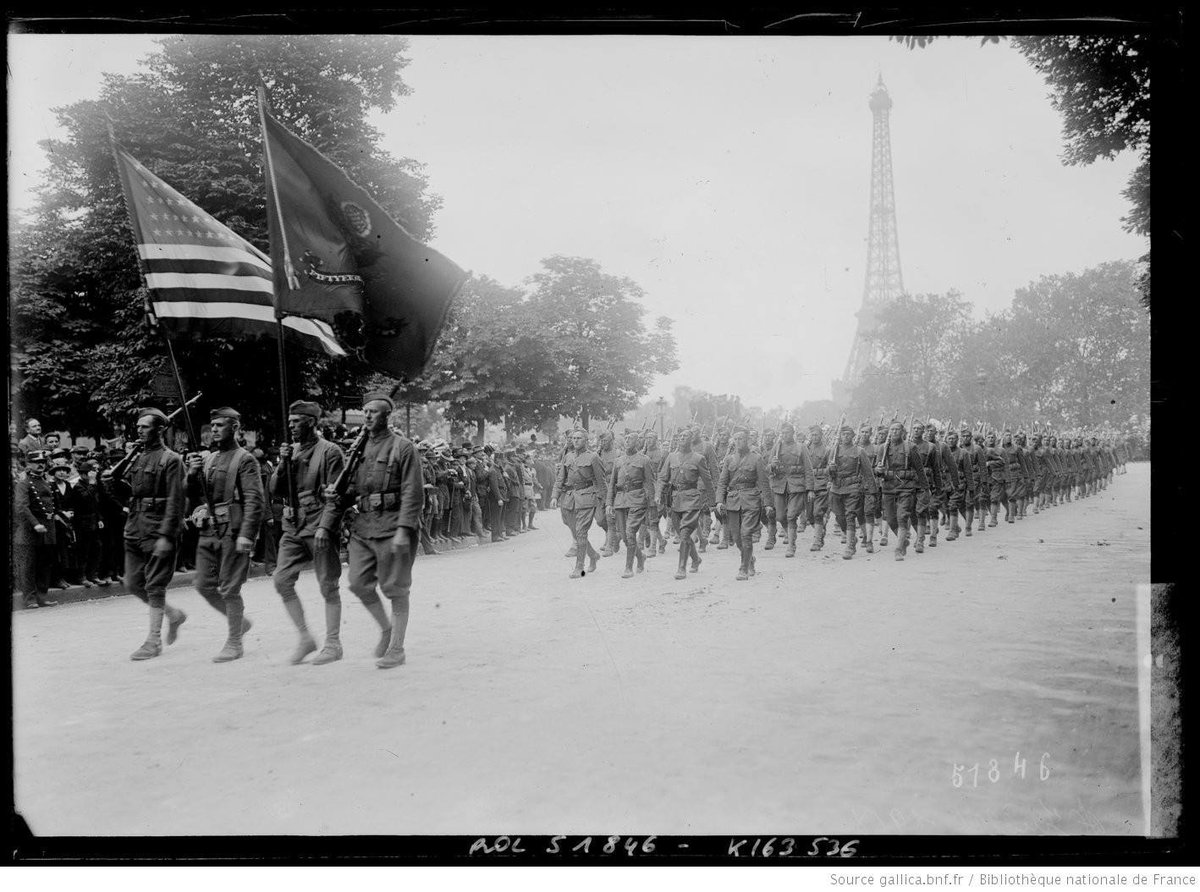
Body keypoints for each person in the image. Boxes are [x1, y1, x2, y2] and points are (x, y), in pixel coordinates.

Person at [322, 392, 423, 669]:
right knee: (357, 583)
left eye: (373, 412)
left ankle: (397, 648)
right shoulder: (358, 450)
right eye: (364, 411)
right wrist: (335, 495)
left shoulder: (403, 448)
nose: (367, 416)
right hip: (364, 526)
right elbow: (353, 490)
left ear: (386, 416)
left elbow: (413, 493)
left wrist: (404, 529)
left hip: (393, 525)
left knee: (395, 588)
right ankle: (386, 629)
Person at [271, 400, 347, 665]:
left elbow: (335, 496)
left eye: (296, 421)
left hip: (318, 522)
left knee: (328, 584)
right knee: (281, 580)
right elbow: (276, 490)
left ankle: (333, 643)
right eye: (289, 421)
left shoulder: (330, 452)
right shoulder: (290, 451)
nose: (291, 426)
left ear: (311, 422)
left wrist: (326, 526)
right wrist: (283, 463)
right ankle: (305, 637)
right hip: (293, 524)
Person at [186, 407, 264, 663]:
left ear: (235, 428)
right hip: (209, 528)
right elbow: (193, 494)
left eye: (220, 425)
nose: (215, 430)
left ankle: (234, 642)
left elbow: (254, 500)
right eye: (213, 426)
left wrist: (247, 535)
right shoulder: (207, 459)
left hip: (233, 529)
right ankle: (239, 623)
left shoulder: (245, 459)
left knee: (230, 588)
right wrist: (192, 473)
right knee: (203, 585)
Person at [116, 409, 187, 660]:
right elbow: (124, 491)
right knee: (133, 583)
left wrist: (167, 535)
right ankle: (173, 615)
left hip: (158, 527)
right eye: (138, 426)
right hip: (135, 525)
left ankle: (153, 641)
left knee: (155, 584)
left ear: (159, 430)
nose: (139, 430)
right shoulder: (135, 457)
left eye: (145, 427)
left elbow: (177, 501)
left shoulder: (171, 460)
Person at [715, 427, 773, 580]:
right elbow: (722, 483)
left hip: (751, 500)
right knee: (736, 537)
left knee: (746, 533)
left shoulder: (756, 458)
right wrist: (719, 501)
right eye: (736, 439)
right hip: (733, 501)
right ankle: (750, 559)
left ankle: (743, 568)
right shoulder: (729, 459)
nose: (738, 441)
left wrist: (767, 504)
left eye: (741, 439)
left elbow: (763, 483)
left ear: (748, 440)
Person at [550, 428, 608, 579]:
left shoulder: (593, 457)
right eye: (574, 438)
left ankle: (579, 567)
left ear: (586, 441)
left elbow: (601, 482)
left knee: (581, 532)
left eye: (579, 438)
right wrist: (555, 496)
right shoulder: (567, 457)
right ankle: (593, 555)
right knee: (576, 533)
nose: (575, 440)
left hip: (587, 498)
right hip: (569, 498)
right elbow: (560, 479)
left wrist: (605, 502)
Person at [657, 427, 713, 580]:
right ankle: (696, 559)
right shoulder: (671, 457)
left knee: (684, 534)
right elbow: (662, 478)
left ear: (691, 440)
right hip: (675, 499)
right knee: (683, 534)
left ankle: (681, 568)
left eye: (685, 436)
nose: (682, 438)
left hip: (692, 499)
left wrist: (713, 501)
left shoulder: (698, 458)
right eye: (680, 436)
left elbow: (708, 481)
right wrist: (657, 495)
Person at [874, 421, 929, 561]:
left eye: (897, 429)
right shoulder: (882, 448)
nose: (894, 432)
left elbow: (920, 470)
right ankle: (903, 540)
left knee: (902, 517)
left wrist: (925, 489)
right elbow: (877, 468)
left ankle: (898, 549)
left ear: (903, 432)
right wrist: (878, 470)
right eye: (892, 430)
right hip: (888, 487)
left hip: (906, 487)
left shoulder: (911, 447)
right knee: (891, 519)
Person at [607, 430, 656, 578]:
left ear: (637, 442)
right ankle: (640, 557)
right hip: (621, 500)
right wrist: (609, 503)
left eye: (630, 439)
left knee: (630, 533)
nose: (627, 441)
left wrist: (651, 504)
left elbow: (649, 483)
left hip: (637, 499)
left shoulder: (644, 460)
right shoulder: (618, 460)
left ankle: (628, 568)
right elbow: (612, 484)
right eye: (626, 439)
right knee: (623, 535)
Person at [14, 450, 59, 608]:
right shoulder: (24, 484)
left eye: (43, 462)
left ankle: (42, 597)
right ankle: (30, 599)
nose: (40, 465)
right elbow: (21, 507)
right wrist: (35, 524)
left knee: (45, 564)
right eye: (36, 462)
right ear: (28, 465)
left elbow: (53, 506)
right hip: (30, 530)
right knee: (29, 566)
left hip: (48, 528)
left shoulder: (47, 482)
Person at [827, 424, 879, 560]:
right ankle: (852, 539)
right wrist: (830, 469)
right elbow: (828, 474)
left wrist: (873, 492)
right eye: (843, 434)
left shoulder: (859, 451)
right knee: (839, 516)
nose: (846, 437)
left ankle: (850, 546)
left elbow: (868, 473)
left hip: (853, 487)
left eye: (848, 434)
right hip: (836, 487)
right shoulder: (834, 451)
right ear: (840, 436)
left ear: (853, 436)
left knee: (850, 516)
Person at [767, 422, 813, 558]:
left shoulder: (801, 447)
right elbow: (768, 469)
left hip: (797, 485)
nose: (784, 435)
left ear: (793, 433)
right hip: (780, 485)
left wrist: (810, 489)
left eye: (787, 433)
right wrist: (772, 466)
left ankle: (791, 545)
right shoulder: (777, 447)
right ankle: (789, 534)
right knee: (780, 516)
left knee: (791, 516)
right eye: (782, 433)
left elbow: (808, 469)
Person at [805, 424, 833, 552]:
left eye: (817, 435)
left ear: (821, 436)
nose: (814, 437)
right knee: (809, 516)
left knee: (817, 513)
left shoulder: (827, 450)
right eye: (812, 435)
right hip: (808, 485)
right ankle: (820, 530)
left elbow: (831, 468)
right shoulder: (805, 449)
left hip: (821, 484)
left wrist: (824, 473)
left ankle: (816, 541)